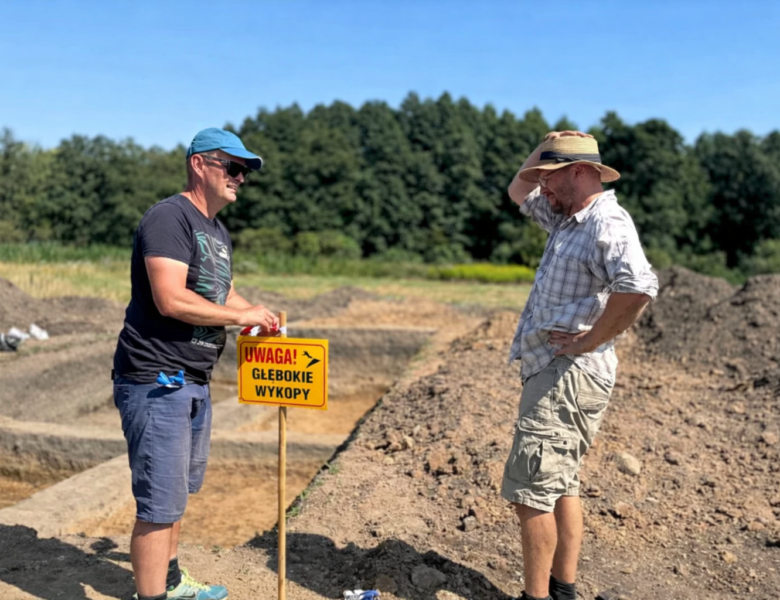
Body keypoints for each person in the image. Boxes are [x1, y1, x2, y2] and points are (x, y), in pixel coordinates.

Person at [112, 128, 279, 600]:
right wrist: (239, 316)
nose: (241, 178)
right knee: (158, 504)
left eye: (244, 171)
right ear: (200, 164)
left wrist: (257, 316)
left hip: (193, 379)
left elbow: (218, 291)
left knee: (177, 494)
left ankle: (171, 582)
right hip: (157, 378)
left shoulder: (216, 231)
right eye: (234, 167)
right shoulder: (169, 218)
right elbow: (169, 298)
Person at [501, 131, 658, 600]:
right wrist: (544, 145)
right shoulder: (566, 218)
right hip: (553, 370)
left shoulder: (605, 222)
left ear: (579, 172)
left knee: (531, 492)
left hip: (565, 374)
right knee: (560, 481)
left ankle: (537, 598)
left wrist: (590, 339)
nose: (541, 188)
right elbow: (518, 191)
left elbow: (638, 287)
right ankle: (563, 589)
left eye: (549, 177)